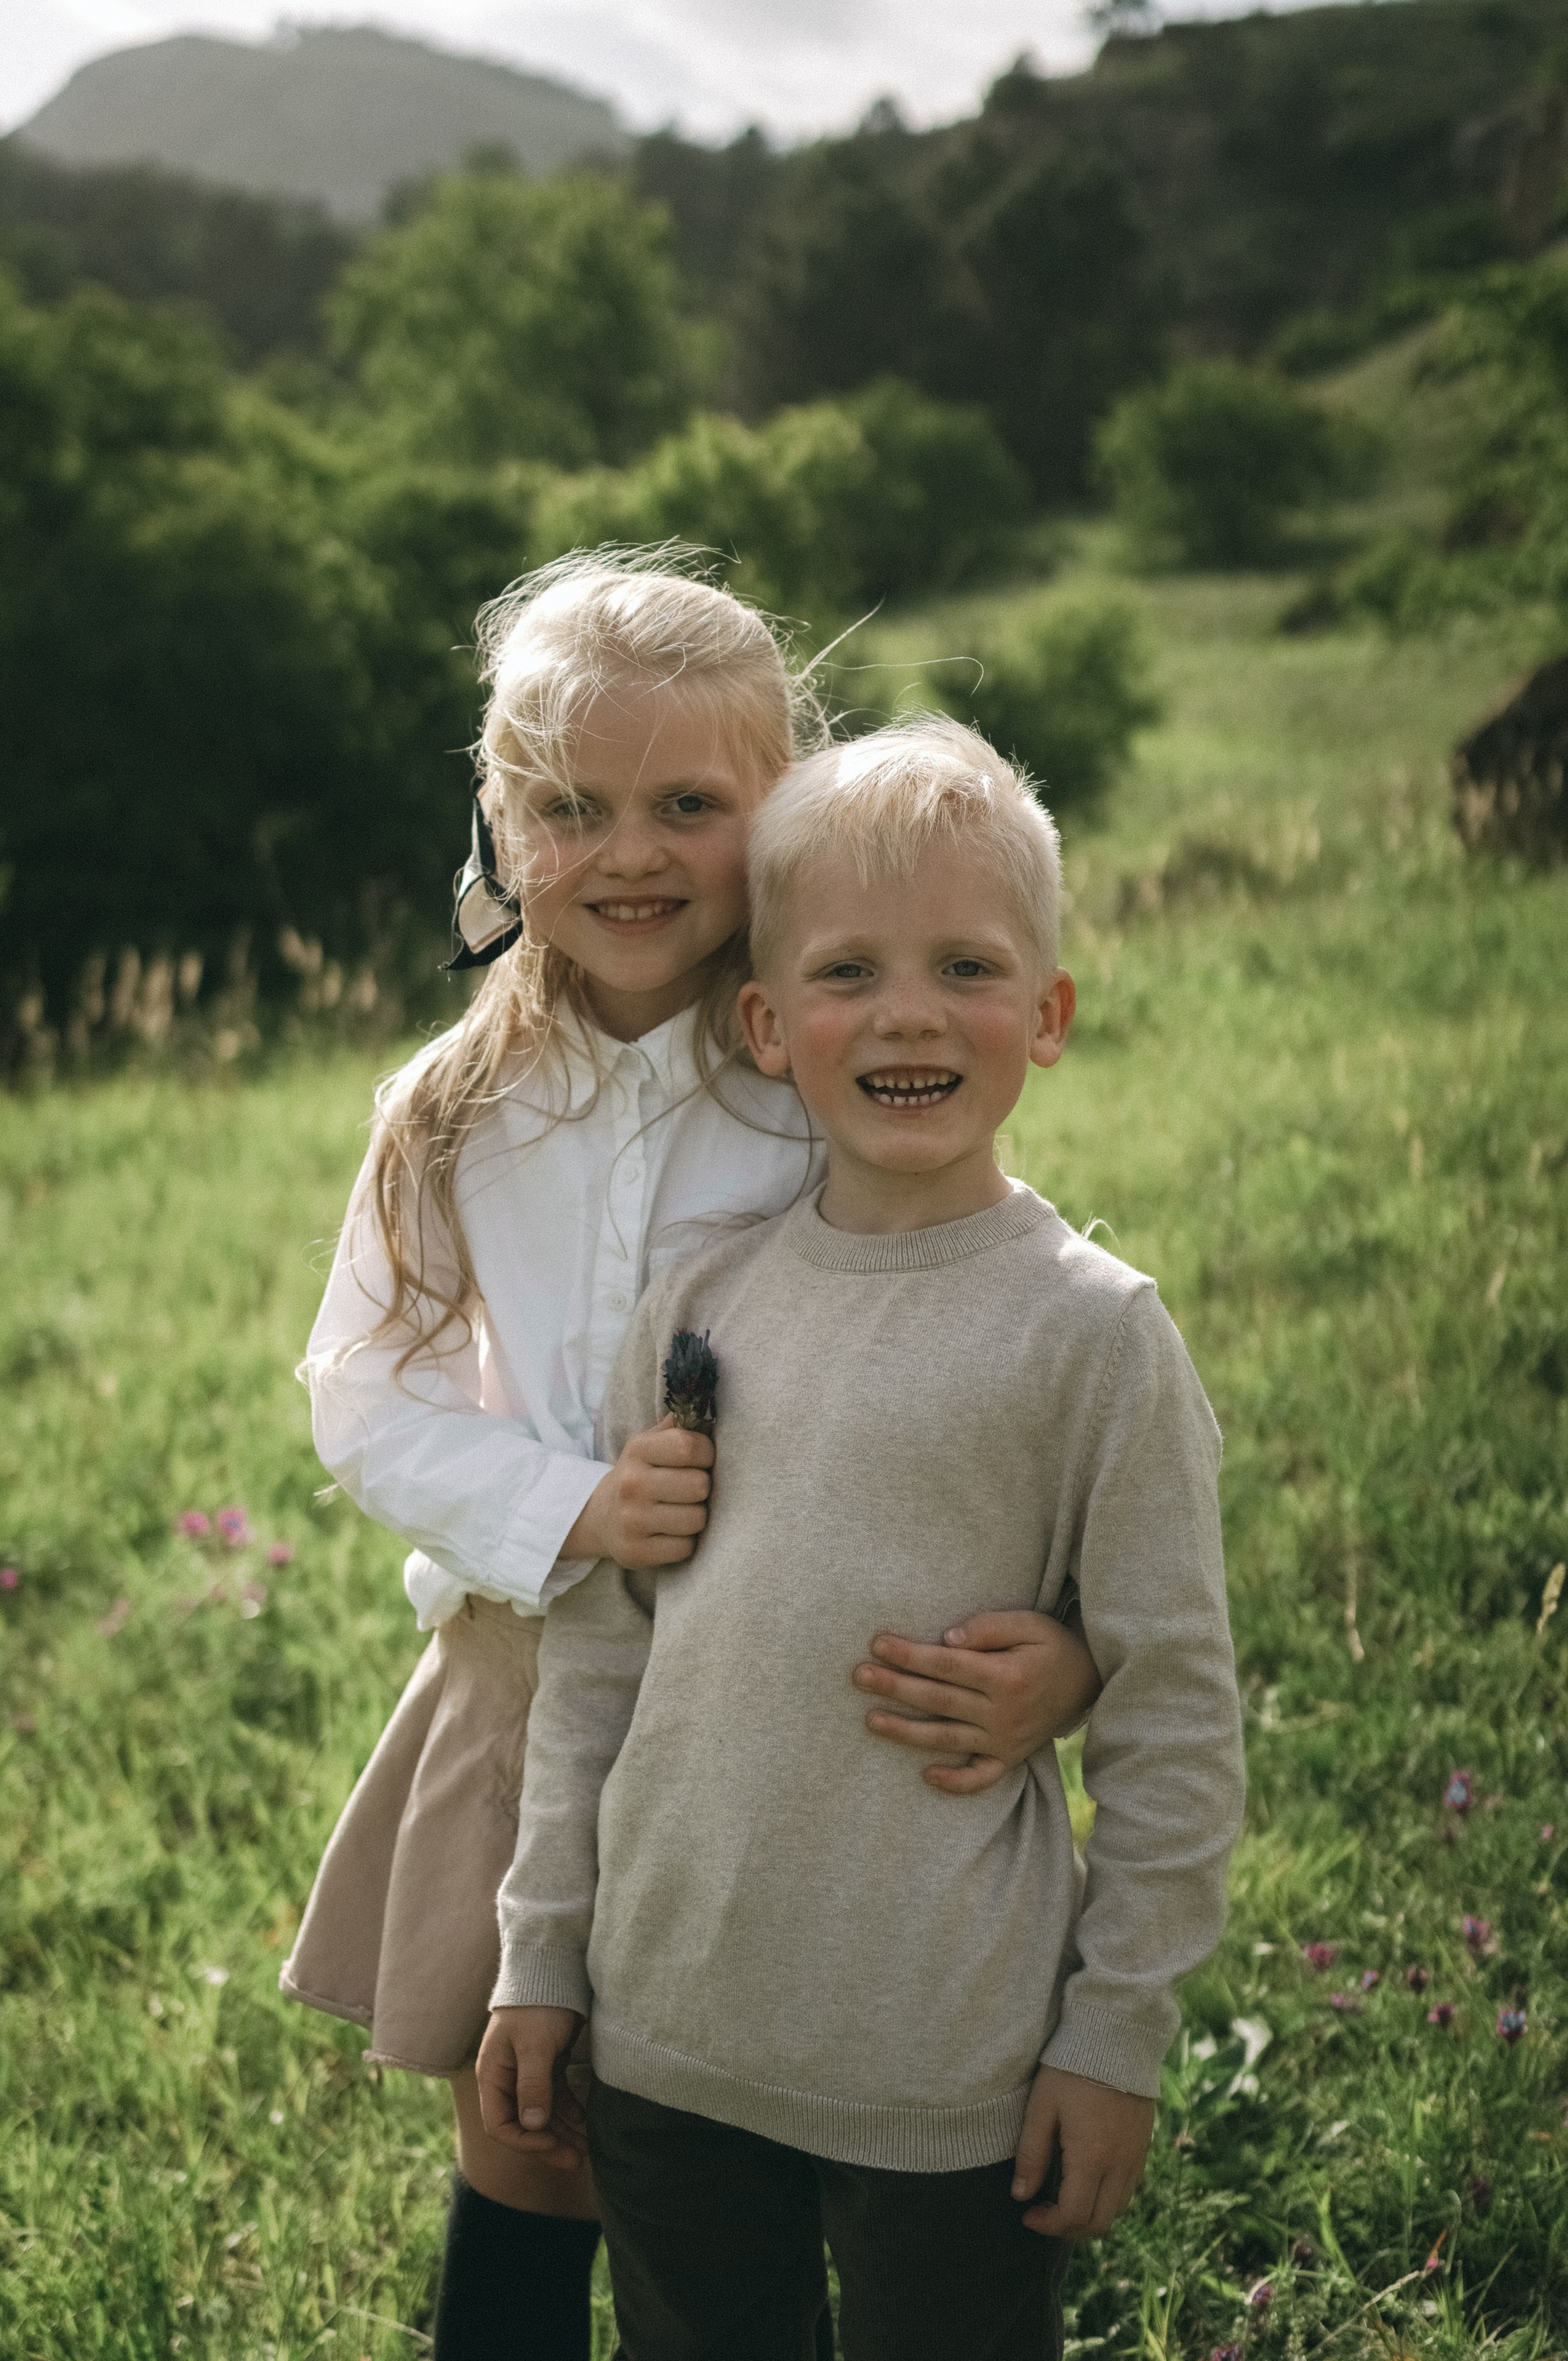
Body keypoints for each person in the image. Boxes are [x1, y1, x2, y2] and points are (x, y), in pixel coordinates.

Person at [281, 558, 1104, 2361]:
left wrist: (1072, 1650)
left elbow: (996, 1352)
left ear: (779, 805)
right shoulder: (452, 1109)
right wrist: (568, 1507)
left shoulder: (822, 1056)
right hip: (530, 1684)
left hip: (810, 1702)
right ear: (500, 820)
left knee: (775, 2144)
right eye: (571, 808)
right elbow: (361, 1389)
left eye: (688, 805)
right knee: (533, 2134)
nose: (630, 853)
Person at [479, 717, 1246, 2361]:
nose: (908, 1013)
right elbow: (600, 1662)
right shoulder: (698, 1307)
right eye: (847, 973)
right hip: (668, 2032)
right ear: (765, 1024)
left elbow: (1176, 1712)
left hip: (946, 2065)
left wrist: (1113, 2039)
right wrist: (540, 1959)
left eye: (967, 967)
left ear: (1049, 1015)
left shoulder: (1095, 1336)